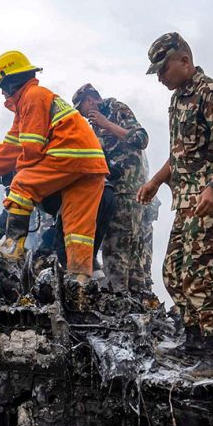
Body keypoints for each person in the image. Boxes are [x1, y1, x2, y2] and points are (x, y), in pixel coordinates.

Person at [137, 33, 213, 364]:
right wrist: (156, 181)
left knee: (199, 271)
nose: (160, 78)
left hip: (208, 195)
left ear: (184, 61)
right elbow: (179, 155)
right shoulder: (177, 99)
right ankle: (194, 339)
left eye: (163, 69)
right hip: (185, 198)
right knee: (173, 271)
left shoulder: (210, 91)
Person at [0, 51, 107, 282]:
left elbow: (31, 147)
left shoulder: (32, 96)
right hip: (92, 165)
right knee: (78, 228)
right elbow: (9, 149)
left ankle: (12, 247)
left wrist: (20, 175)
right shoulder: (35, 99)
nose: (1, 92)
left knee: (22, 183)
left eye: (1, 85)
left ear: (11, 80)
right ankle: (79, 281)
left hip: (69, 155)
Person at [72, 83, 154, 301]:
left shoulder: (116, 110)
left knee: (118, 247)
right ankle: (134, 301)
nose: (83, 115)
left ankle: (118, 299)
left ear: (90, 101)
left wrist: (106, 124)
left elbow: (140, 139)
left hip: (129, 191)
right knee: (125, 247)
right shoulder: (94, 128)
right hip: (112, 192)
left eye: (81, 109)